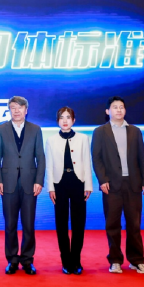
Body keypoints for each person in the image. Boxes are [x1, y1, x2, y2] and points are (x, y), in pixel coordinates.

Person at [91, 96, 144, 274]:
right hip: (111, 185)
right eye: (115, 107)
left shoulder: (135, 131)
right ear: (107, 111)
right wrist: (102, 180)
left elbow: (142, 157)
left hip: (133, 183)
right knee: (112, 225)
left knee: (134, 224)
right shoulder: (100, 132)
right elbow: (96, 158)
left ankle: (137, 260)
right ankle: (115, 260)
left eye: (121, 107)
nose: (119, 110)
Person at [0, 96, 45, 275]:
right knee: (10, 224)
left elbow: (41, 157)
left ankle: (28, 260)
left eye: (20, 107)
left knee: (29, 224)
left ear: (26, 110)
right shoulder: (1, 129)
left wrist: (39, 181)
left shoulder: (35, 129)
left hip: (30, 183)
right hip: (8, 183)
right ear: (9, 110)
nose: (16, 111)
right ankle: (12, 260)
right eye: (13, 107)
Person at [45, 106, 93, 275]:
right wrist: (50, 188)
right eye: (61, 117)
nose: (65, 121)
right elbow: (49, 166)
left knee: (79, 223)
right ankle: (66, 261)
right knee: (61, 223)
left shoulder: (83, 138)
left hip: (78, 182)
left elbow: (87, 162)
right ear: (57, 121)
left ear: (74, 120)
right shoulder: (51, 140)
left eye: (68, 117)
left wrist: (88, 186)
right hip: (59, 184)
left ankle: (76, 260)